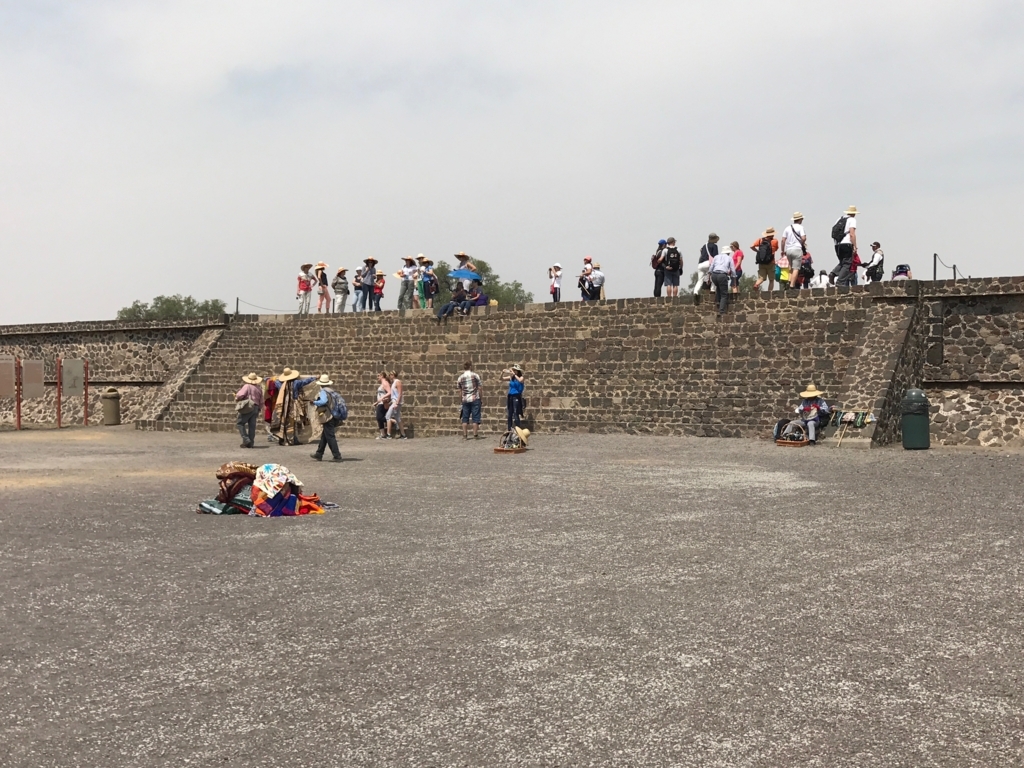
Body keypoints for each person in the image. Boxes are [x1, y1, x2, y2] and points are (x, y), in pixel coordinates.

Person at [310, 375, 345, 461]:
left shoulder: (323, 392)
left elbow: (323, 401)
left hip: (328, 416)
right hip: (333, 414)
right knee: (325, 436)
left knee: (330, 436)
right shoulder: (332, 391)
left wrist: (314, 402)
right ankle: (319, 453)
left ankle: (337, 455)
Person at [235, 372, 264, 448]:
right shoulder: (259, 388)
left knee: (240, 423)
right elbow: (261, 401)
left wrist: (236, 397)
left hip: (248, 406)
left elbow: (240, 395)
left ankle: (246, 439)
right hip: (256, 407)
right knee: (252, 426)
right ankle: (250, 443)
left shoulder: (247, 386)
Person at [832, 206, 858, 287]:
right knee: (847, 263)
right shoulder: (852, 220)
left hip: (837, 244)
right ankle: (840, 282)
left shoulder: (839, 219)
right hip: (846, 244)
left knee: (842, 262)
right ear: (854, 213)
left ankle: (833, 273)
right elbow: (852, 234)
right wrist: (854, 246)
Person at [457, 361, 483, 439]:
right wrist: (481, 398)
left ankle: (465, 435)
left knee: (465, 417)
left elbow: (460, 391)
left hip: (465, 399)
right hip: (475, 398)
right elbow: (480, 388)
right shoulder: (475, 376)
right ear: (470, 367)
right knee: (475, 417)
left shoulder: (460, 378)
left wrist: (461, 400)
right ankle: (475, 434)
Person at [708, 244, 736, 314]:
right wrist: (734, 280)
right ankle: (721, 310)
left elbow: (711, 268)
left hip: (714, 275)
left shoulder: (716, 257)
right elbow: (733, 270)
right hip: (722, 275)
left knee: (719, 287)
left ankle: (718, 301)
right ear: (728, 252)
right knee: (724, 294)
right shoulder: (729, 258)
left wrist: (709, 278)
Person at [782, 214, 808, 288]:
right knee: (796, 268)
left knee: (790, 267)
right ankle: (792, 285)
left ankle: (789, 281)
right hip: (796, 249)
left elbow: (783, 240)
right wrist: (801, 243)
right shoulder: (800, 227)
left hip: (788, 250)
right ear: (800, 220)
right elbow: (803, 238)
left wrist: (782, 250)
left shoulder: (787, 228)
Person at [751, 227, 779, 294]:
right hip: (771, 262)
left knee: (761, 278)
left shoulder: (760, 240)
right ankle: (769, 293)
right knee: (771, 280)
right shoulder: (775, 241)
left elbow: (752, 246)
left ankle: (756, 284)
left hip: (761, 262)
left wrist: (757, 251)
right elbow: (776, 249)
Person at [502, 364, 525, 430]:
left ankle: (518, 429)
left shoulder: (521, 377)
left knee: (516, 413)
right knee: (509, 414)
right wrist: (502, 373)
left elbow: (520, 381)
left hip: (516, 396)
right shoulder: (511, 378)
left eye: (515, 370)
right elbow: (501, 379)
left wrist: (514, 374)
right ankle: (509, 429)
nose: (514, 371)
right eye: (513, 370)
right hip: (510, 396)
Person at [386, 370, 408, 439]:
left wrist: (397, 403)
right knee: (398, 418)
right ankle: (403, 435)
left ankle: (388, 434)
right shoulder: (394, 383)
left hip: (396, 403)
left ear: (393, 375)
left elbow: (400, 393)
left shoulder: (397, 382)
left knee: (388, 416)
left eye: (390, 375)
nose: (390, 376)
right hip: (394, 402)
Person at [374, 372, 392, 439]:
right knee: (379, 419)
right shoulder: (382, 384)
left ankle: (393, 421)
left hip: (383, 403)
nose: (377, 377)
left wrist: (382, 398)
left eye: (378, 376)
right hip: (380, 403)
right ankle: (383, 434)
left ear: (382, 376)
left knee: (379, 417)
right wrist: (377, 402)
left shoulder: (385, 383)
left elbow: (389, 392)